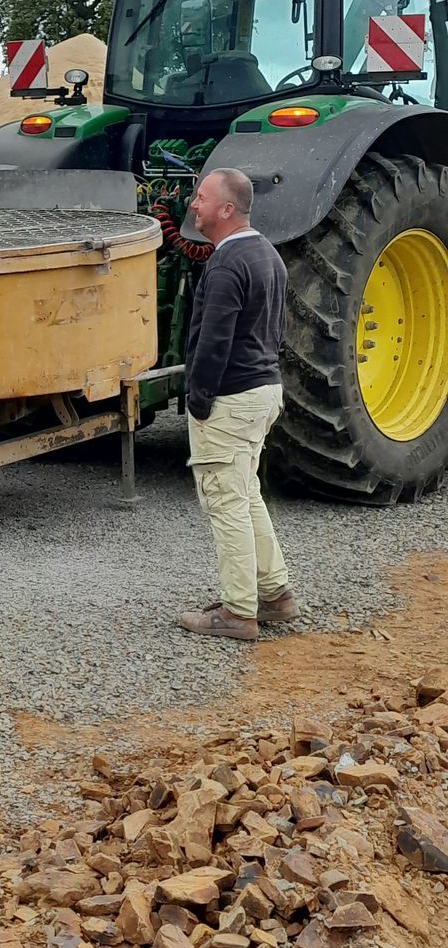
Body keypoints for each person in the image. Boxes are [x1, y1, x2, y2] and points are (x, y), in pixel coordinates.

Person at [177, 166, 297, 644]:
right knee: (246, 495)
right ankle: (274, 596)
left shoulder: (227, 264)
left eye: (201, 197)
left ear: (226, 209)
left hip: (230, 398)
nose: (193, 204)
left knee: (225, 502)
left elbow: (213, 341)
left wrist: (199, 401)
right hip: (263, 389)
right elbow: (276, 329)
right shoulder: (267, 254)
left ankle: (237, 612)